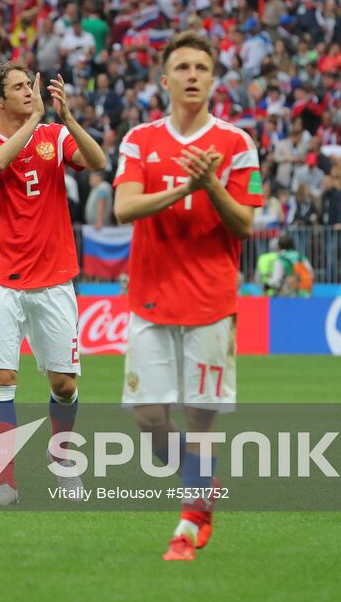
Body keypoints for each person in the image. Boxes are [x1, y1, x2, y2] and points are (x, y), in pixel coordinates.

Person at [112, 31, 264, 562]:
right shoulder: (140, 140)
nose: (193, 75)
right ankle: (201, 483)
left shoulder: (236, 143)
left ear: (214, 79)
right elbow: (124, 209)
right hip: (151, 299)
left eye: (202, 67)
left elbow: (245, 224)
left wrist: (212, 185)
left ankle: (190, 522)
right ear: (165, 79)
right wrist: (185, 187)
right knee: (150, 420)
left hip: (210, 301)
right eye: (183, 67)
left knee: (200, 418)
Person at [0, 62, 107, 506]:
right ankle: (6, 482)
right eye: (20, 87)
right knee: (3, 377)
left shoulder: (55, 136)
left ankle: (61, 459)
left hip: (54, 278)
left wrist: (65, 119)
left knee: (64, 384)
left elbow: (99, 161)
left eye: (31, 86)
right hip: (2, 279)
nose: (29, 92)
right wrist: (33, 122)